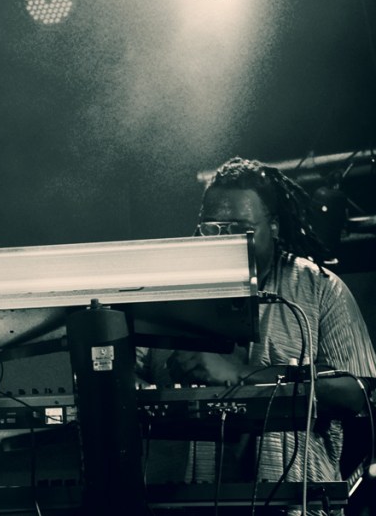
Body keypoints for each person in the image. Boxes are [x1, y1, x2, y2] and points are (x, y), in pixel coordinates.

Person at [139, 156, 376, 488]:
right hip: (181, 501)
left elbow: (356, 392)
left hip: (293, 499)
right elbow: (121, 371)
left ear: (274, 227)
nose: (225, 240)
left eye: (241, 229)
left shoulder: (321, 288)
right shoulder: (166, 291)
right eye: (213, 228)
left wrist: (239, 374)